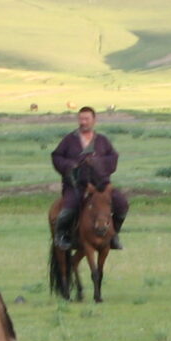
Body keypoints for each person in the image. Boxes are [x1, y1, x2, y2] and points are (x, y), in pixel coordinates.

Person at [51, 106, 127, 250]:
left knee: (122, 204)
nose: (83, 122)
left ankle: (114, 234)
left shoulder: (102, 141)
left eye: (86, 119)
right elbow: (56, 156)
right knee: (69, 207)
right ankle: (61, 236)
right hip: (76, 185)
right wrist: (70, 165)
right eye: (81, 119)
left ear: (94, 120)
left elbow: (113, 158)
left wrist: (97, 162)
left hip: (101, 185)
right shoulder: (69, 140)